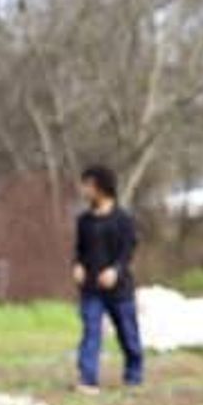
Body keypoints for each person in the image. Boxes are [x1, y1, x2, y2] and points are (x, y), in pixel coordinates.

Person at [72, 165, 143, 392]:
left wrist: (115, 270)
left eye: (88, 185)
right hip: (91, 288)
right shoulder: (84, 221)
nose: (84, 190)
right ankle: (88, 378)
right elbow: (79, 249)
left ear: (101, 188)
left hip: (119, 289)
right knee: (91, 331)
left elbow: (128, 251)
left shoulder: (123, 219)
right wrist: (77, 266)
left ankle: (134, 374)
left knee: (127, 334)